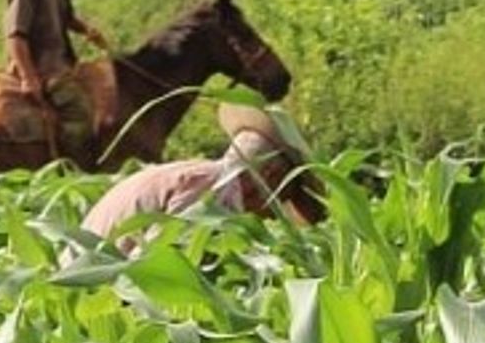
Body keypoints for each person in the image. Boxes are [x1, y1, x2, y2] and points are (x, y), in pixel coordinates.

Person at [83, 102, 320, 240]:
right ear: (270, 176)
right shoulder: (208, 191)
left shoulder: (202, 178)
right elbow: (151, 270)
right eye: (282, 199)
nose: (270, 217)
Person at [0, 0, 106, 153]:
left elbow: (66, 17)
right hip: (44, 68)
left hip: (61, 62)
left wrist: (87, 31)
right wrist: (29, 77)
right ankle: (71, 166)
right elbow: (15, 34)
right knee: (81, 113)